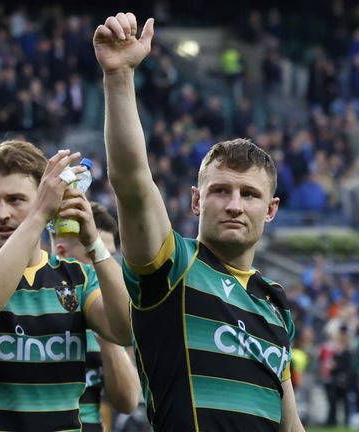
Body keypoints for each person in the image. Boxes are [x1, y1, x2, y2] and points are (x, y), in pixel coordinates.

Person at [94, 13, 305, 431]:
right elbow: (133, 183)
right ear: (195, 201)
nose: (233, 205)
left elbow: (290, 422)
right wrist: (118, 78)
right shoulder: (171, 266)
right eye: (219, 191)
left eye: (249, 195)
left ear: (271, 209)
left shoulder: (273, 301)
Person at [0, 140, 131, 431]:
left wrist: (94, 245)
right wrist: (39, 214)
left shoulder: (77, 277)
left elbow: (125, 329)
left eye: (15, 199)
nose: (2, 214)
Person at [52, 203, 140, 432]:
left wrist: (106, 331)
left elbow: (128, 401)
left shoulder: (105, 316)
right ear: (62, 254)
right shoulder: (36, 307)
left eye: (109, 256)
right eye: (94, 254)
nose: (105, 266)